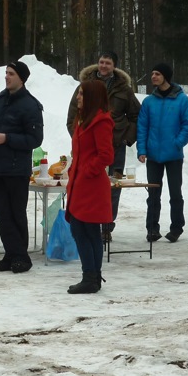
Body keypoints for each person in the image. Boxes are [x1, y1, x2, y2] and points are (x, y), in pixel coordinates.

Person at [65, 51, 141, 242]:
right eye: (101, 62)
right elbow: (73, 114)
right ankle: (87, 222)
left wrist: (126, 139)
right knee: (87, 184)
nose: (104, 66)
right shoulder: (85, 86)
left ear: (114, 66)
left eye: (108, 63)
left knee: (113, 186)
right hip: (89, 147)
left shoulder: (124, 89)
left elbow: (136, 116)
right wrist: (80, 138)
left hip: (115, 145)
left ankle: (107, 226)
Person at [0, 60, 44, 273]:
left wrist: (7, 138)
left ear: (22, 78)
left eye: (11, 74)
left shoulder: (30, 105)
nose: (7, 77)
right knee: (2, 214)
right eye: (6, 73)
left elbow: (35, 139)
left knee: (16, 213)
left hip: (17, 169)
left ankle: (21, 257)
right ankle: (11, 255)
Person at [136, 62, 188, 242]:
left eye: (157, 74)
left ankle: (177, 228)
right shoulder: (148, 102)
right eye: (153, 73)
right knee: (153, 194)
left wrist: (177, 143)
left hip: (174, 155)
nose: (153, 76)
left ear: (166, 77)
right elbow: (142, 127)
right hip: (153, 155)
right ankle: (152, 228)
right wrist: (142, 149)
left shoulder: (182, 100)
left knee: (175, 193)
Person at [65, 80, 115, 294]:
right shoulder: (82, 119)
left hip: (91, 184)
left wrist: (87, 170)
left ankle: (91, 277)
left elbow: (106, 154)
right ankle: (92, 277)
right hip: (80, 182)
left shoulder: (101, 121)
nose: (78, 97)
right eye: (78, 94)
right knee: (84, 230)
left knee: (85, 229)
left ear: (93, 97)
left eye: (82, 94)